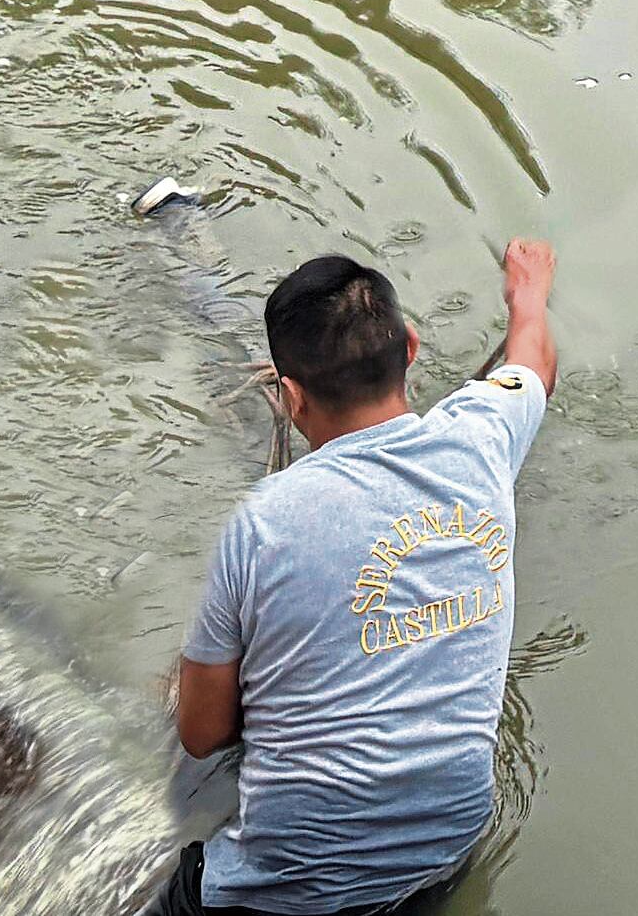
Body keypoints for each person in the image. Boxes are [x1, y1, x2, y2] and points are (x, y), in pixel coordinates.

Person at [166, 243, 560, 915]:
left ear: (288, 395)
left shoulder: (265, 518)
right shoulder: (484, 438)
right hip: (443, 855)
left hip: (280, 892)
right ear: (410, 346)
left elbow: (202, 733)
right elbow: (533, 362)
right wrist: (528, 292)